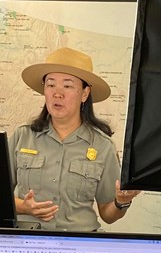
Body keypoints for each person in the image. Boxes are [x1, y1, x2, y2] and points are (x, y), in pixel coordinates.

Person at [10, 48, 140, 232]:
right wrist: (23, 207)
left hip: (79, 244)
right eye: (51, 84)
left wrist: (122, 201)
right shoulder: (22, 136)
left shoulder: (102, 145)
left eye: (68, 86)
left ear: (85, 94)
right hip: (28, 242)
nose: (58, 93)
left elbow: (108, 214)